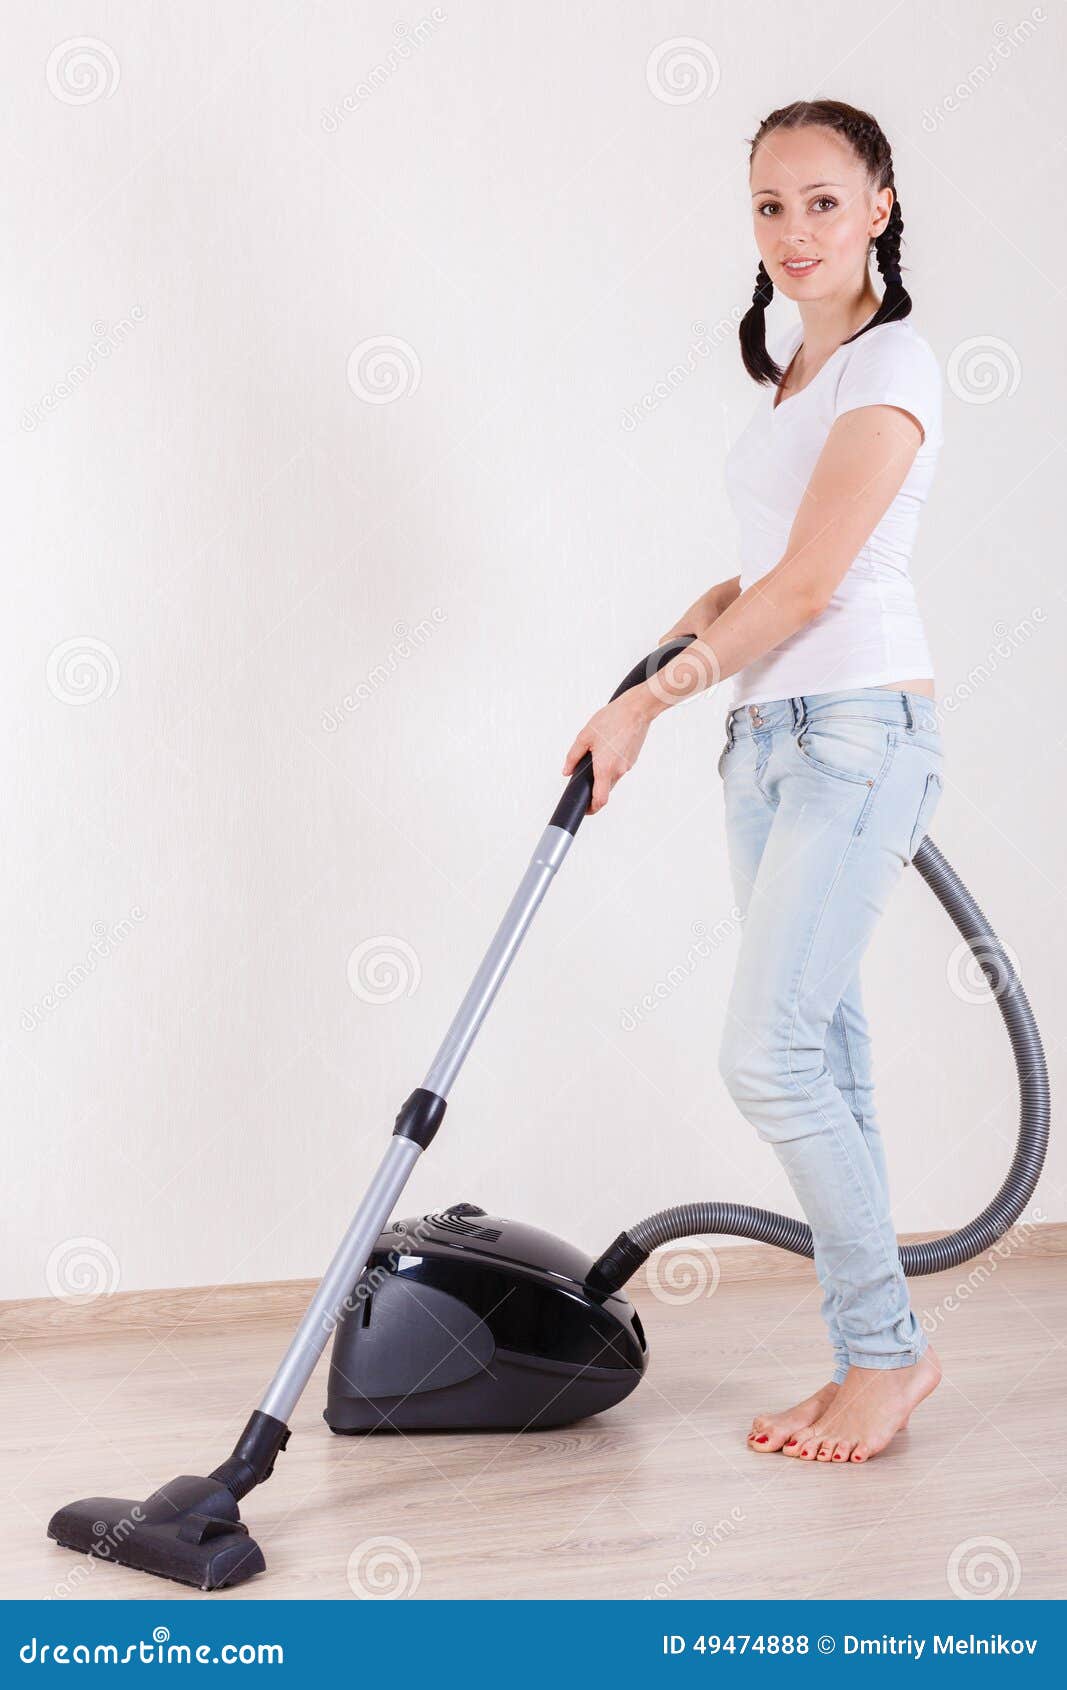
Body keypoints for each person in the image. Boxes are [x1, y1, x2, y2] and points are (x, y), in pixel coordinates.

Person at [562, 99, 946, 1465]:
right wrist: (646, 679)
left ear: (882, 205)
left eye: (825, 202)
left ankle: (890, 1358)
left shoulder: (892, 366)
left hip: (856, 732)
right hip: (772, 739)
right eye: (771, 207)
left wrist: (651, 713)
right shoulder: (798, 378)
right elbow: (746, 580)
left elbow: (808, 587)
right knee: (826, 1055)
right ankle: (869, 1359)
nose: (795, 232)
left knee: (769, 1053)